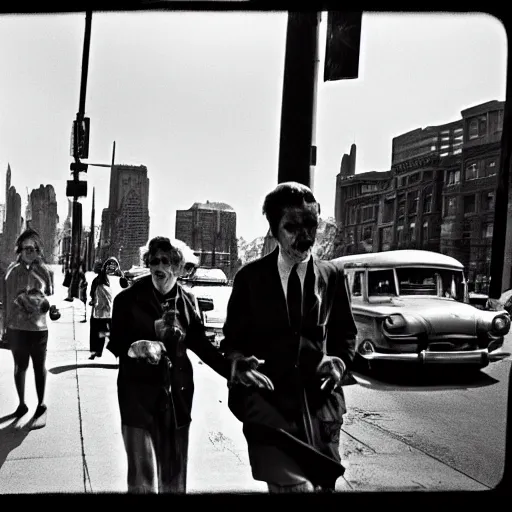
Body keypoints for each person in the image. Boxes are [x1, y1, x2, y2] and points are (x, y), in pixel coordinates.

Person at [220, 181, 358, 493]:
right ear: (273, 230)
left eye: (311, 224)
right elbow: (231, 342)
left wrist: (338, 363)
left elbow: (345, 334)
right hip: (272, 413)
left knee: (322, 488)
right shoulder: (250, 279)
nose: (306, 236)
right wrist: (239, 363)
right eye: (292, 226)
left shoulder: (332, 276)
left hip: (322, 412)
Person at [107, 236, 232, 494]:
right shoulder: (126, 300)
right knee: (141, 477)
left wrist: (234, 371)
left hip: (177, 400)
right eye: (154, 261)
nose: (159, 266)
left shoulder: (188, 301)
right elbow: (117, 342)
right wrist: (136, 347)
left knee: (174, 477)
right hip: (137, 399)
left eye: (167, 260)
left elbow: (203, 347)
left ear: (178, 266)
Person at [3, 228, 60, 426]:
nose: (31, 252)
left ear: (39, 251)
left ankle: (41, 405)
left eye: (35, 248)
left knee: (39, 366)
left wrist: (52, 309)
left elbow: (52, 300)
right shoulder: (11, 272)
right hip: (16, 328)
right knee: (20, 367)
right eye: (27, 248)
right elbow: (5, 300)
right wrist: (3, 329)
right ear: (19, 249)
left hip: (39, 330)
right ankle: (21, 404)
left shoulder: (46, 272)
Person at [88, 260, 113, 360]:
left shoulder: (96, 282)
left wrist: (93, 302)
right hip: (106, 312)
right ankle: (99, 350)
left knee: (94, 332)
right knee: (102, 331)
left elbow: (92, 295)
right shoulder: (107, 281)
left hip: (96, 311)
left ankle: (94, 351)